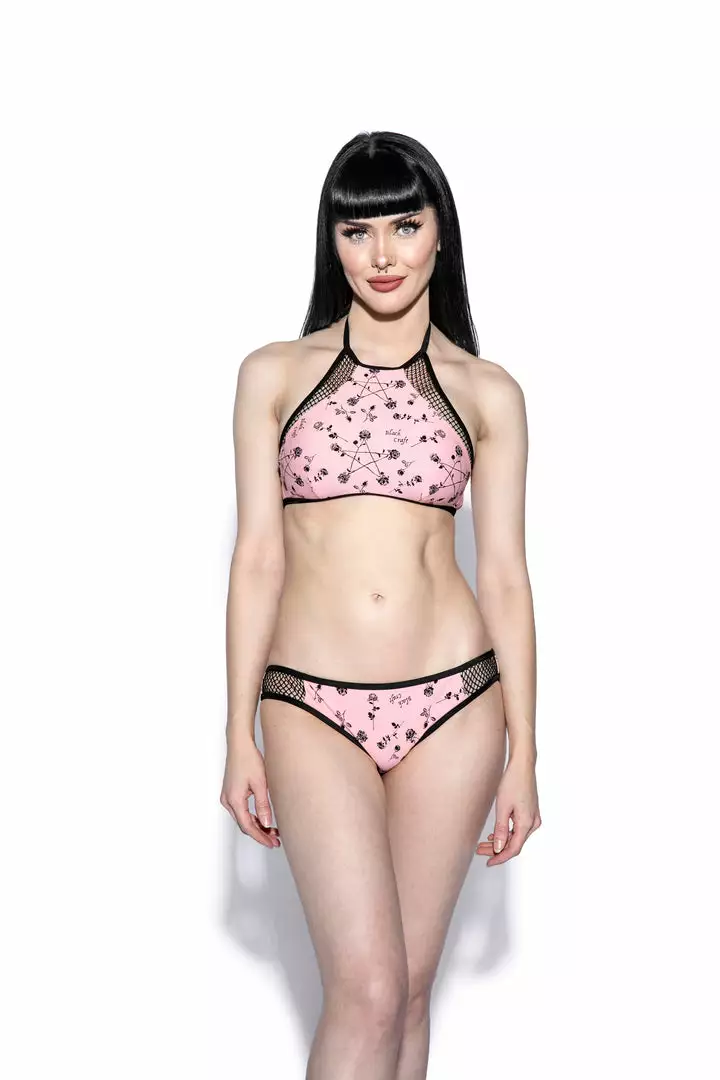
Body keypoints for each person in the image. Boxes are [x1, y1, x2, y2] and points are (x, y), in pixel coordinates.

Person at [221, 130, 541, 1080]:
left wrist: (527, 751)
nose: (383, 253)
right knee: (364, 987)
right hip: (309, 702)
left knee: (406, 990)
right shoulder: (273, 374)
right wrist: (237, 732)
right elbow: (257, 559)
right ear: (332, 242)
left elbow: (507, 576)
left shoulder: (489, 392)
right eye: (357, 231)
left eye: (405, 225)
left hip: (456, 704)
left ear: (442, 231)